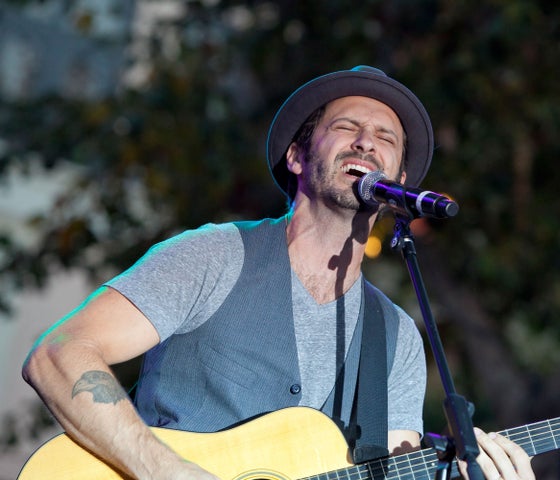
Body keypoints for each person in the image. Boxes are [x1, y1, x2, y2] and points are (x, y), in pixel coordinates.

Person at [22, 66, 534, 480]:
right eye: (346, 128)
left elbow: (398, 469)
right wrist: (165, 471)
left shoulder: (397, 336)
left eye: (385, 137)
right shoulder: (213, 256)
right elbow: (58, 353)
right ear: (296, 156)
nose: (365, 143)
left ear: (399, 181)